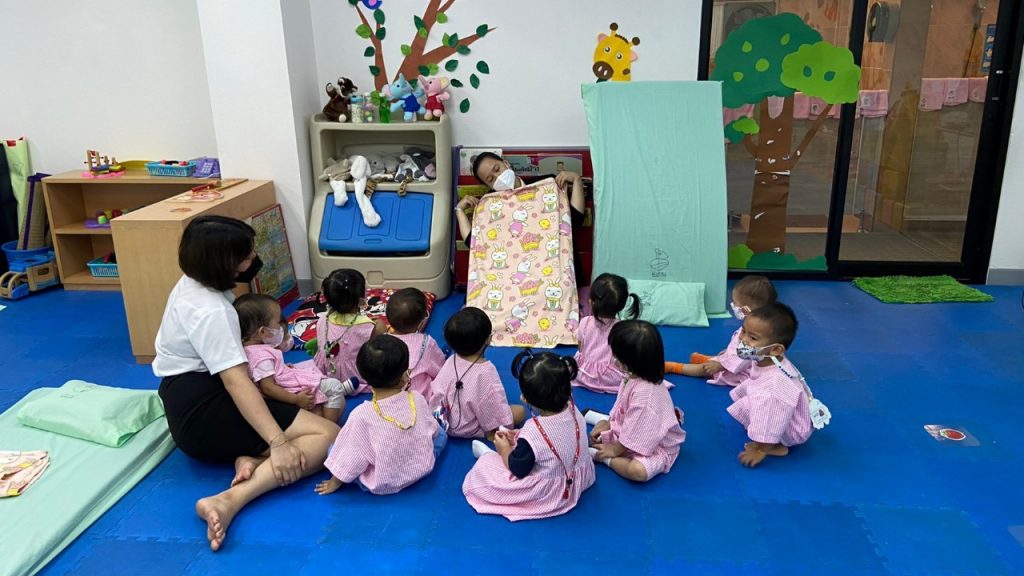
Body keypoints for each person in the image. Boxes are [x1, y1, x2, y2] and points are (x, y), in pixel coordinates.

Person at [153, 215, 338, 551]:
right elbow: (237, 382)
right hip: (202, 413)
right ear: (223, 261)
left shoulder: (192, 283)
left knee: (309, 421)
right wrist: (278, 443)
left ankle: (251, 458)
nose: (254, 258)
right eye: (247, 254)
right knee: (329, 438)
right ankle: (229, 499)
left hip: (183, 392)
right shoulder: (213, 311)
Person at [462, 350, 595, 521]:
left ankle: (488, 455)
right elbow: (555, 437)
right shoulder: (573, 408)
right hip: (578, 475)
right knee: (526, 448)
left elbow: (518, 468)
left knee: (485, 467)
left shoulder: (533, 431)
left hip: (550, 491)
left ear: (526, 399)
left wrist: (504, 449)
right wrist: (520, 436)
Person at [315, 335, 445, 495]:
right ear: (405, 377)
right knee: (440, 434)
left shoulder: (361, 416)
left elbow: (351, 455)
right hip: (421, 467)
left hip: (385, 479)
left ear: (364, 376)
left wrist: (335, 481)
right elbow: (433, 431)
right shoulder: (416, 398)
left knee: (334, 449)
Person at [455, 152, 588, 286]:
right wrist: (459, 211)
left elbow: (575, 220)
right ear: (489, 186)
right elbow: (475, 243)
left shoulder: (545, 185)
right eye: (491, 179)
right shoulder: (491, 206)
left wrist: (576, 180)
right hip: (516, 285)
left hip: (558, 276)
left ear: (506, 164)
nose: (498, 177)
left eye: (497, 169)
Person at [586, 320, 686, 482]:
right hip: (632, 428)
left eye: (616, 356)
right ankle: (601, 420)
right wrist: (611, 422)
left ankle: (602, 458)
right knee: (597, 435)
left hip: (656, 445)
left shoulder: (645, 398)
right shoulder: (633, 376)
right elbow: (621, 405)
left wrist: (614, 451)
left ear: (629, 362)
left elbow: (634, 434)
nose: (613, 359)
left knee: (639, 471)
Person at [234, 293, 354, 423]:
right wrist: (296, 399)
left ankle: (331, 397)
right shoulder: (262, 357)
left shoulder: (250, 350)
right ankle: (330, 424)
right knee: (334, 386)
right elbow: (268, 387)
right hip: (291, 392)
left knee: (309, 367)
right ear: (263, 332)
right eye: (278, 323)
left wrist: (282, 368)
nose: (280, 327)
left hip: (287, 382)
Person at [726, 302, 813, 468]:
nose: (743, 339)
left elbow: (772, 417)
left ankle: (775, 446)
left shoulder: (774, 387)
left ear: (775, 349)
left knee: (765, 409)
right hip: (790, 412)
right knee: (757, 399)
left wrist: (761, 450)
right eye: (743, 331)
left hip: (792, 429)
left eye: (753, 338)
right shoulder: (768, 359)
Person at [429, 307, 525, 439]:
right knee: (520, 411)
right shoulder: (486, 372)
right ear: (488, 339)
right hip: (469, 429)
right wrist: (497, 426)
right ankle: (491, 434)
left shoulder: (451, 359)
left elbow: (438, 392)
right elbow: (492, 410)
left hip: (443, 422)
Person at [665, 275, 777, 384]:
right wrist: (727, 352)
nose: (733, 306)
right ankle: (711, 359)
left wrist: (720, 366)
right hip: (737, 360)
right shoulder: (754, 325)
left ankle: (674, 367)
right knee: (718, 359)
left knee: (703, 369)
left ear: (747, 309)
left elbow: (744, 358)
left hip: (742, 370)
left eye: (736, 304)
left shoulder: (756, 336)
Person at [313, 268, 386, 394]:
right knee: (380, 326)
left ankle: (336, 387)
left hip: (326, 371)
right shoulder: (366, 326)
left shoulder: (323, 318)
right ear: (360, 299)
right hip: (353, 376)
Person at [573, 273, 640, 393]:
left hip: (583, 373)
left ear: (591, 301)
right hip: (609, 377)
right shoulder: (621, 328)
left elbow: (581, 348)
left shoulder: (584, 322)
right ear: (622, 305)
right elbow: (623, 356)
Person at [384, 287, 445, 398]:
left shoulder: (381, 342)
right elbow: (439, 369)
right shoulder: (426, 343)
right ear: (421, 323)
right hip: (421, 398)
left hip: (389, 397)